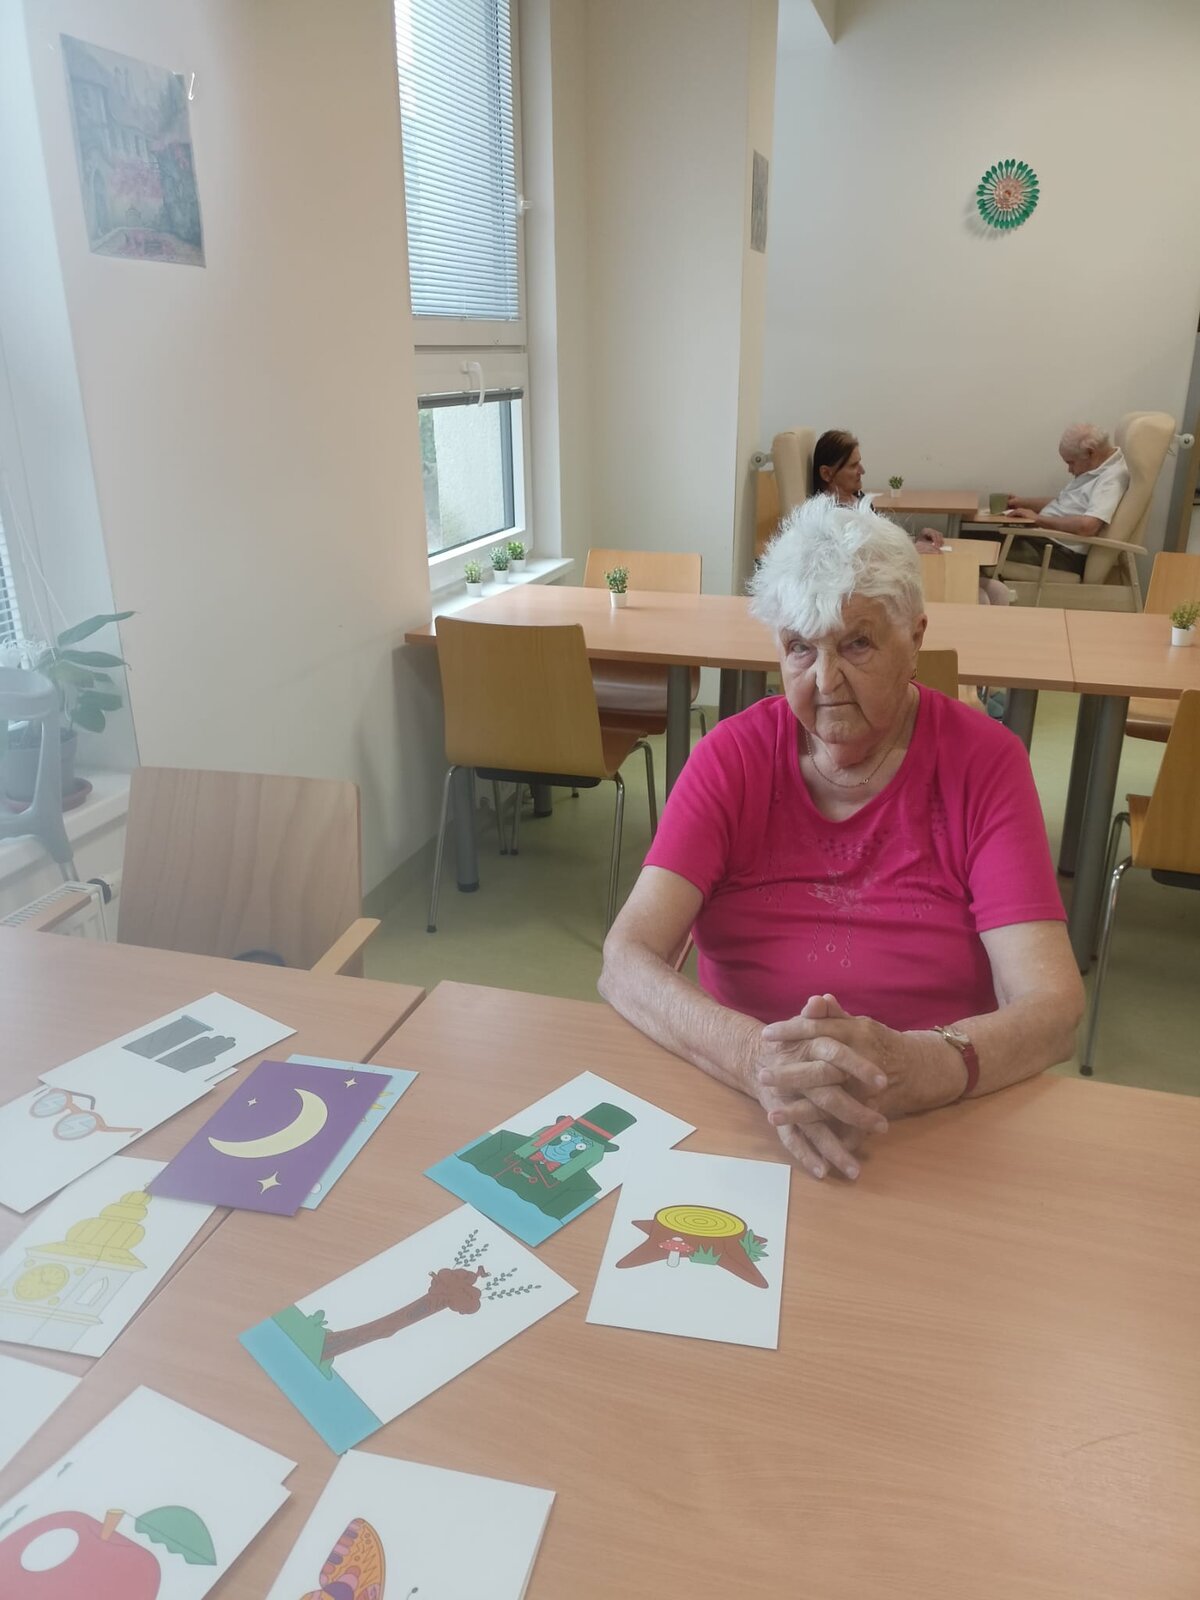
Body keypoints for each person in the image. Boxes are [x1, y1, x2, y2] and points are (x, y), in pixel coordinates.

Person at [598, 498, 1083, 1183]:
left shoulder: (984, 763)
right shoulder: (731, 758)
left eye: (857, 643)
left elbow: (1054, 1008)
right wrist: (756, 1059)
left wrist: (918, 1065)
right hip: (744, 1109)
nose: (825, 681)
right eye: (800, 647)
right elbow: (625, 959)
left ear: (915, 638)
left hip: (931, 1122)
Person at [812, 429, 1011, 605]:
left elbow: (883, 541)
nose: (862, 471)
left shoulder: (858, 498)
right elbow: (861, 566)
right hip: (880, 587)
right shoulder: (828, 519)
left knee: (999, 591)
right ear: (827, 473)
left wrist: (915, 540)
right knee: (980, 598)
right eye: (853, 466)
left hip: (900, 568)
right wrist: (909, 551)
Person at [1002, 422, 1128, 573]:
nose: (1069, 469)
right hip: (1044, 542)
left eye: (1071, 462)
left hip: (1060, 554)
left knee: (980, 548)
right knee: (977, 539)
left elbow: (1087, 526)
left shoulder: (1112, 479)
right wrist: (1021, 503)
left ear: (1090, 452)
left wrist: (1037, 519)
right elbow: (1063, 504)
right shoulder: (1096, 468)